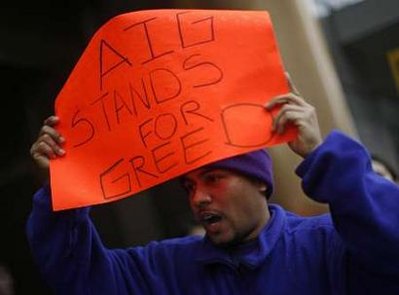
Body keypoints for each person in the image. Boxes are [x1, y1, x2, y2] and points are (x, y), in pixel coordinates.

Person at [27, 86, 399, 294]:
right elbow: (78, 278)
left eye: (214, 179)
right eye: (189, 185)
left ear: (259, 180)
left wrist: (323, 157)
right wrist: (63, 190)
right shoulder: (165, 268)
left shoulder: (327, 247)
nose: (198, 197)